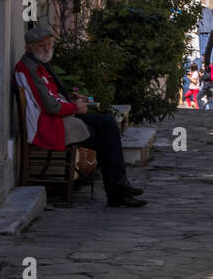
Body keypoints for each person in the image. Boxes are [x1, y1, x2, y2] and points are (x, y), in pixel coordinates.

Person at [14, 25, 146, 207]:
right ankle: (118, 190)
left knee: (108, 124)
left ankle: (119, 188)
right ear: (29, 47)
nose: (46, 48)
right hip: (49, 125)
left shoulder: (39, 65)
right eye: (40, 45)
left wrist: (72, 99)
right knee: (104, 134)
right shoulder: (28, 68)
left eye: (48, 44)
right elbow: (49, 105)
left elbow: (52, 96)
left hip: (59, 117)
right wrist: (74, 108)